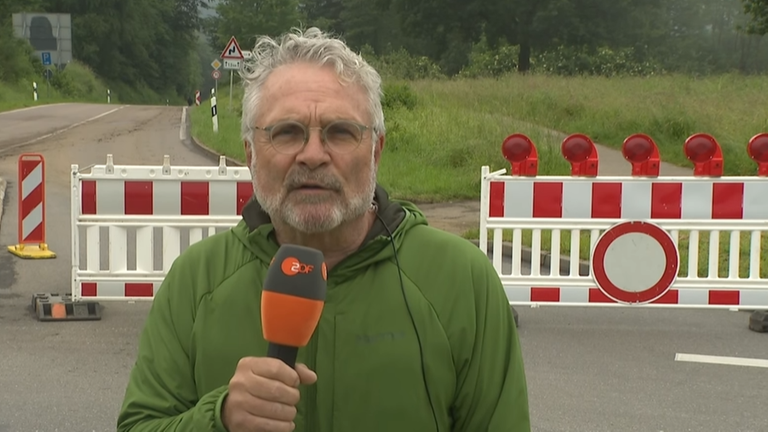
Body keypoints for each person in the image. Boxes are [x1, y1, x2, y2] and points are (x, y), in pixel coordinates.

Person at [116, 27, 530, 432]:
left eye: (340, 132)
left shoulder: (461, 281)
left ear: (375, 151)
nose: (313, 155)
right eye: (287, 132)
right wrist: (219, 419)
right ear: (250, 155)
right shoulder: (197, 280)